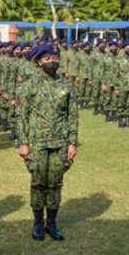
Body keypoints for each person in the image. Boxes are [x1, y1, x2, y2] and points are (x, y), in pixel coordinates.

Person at [16, 43, 78, 241]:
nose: (52, 62)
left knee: (56, 183)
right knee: (38, 182)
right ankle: (37, 223)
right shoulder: (29, 85)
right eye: (47, 59)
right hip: (37, 143)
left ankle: (52, 223)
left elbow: (72, 116)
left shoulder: (66, 85)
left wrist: (72, 142)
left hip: (60, 142)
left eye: (55, 59)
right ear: (38, 61)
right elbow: (22, 116)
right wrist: (23, 143)